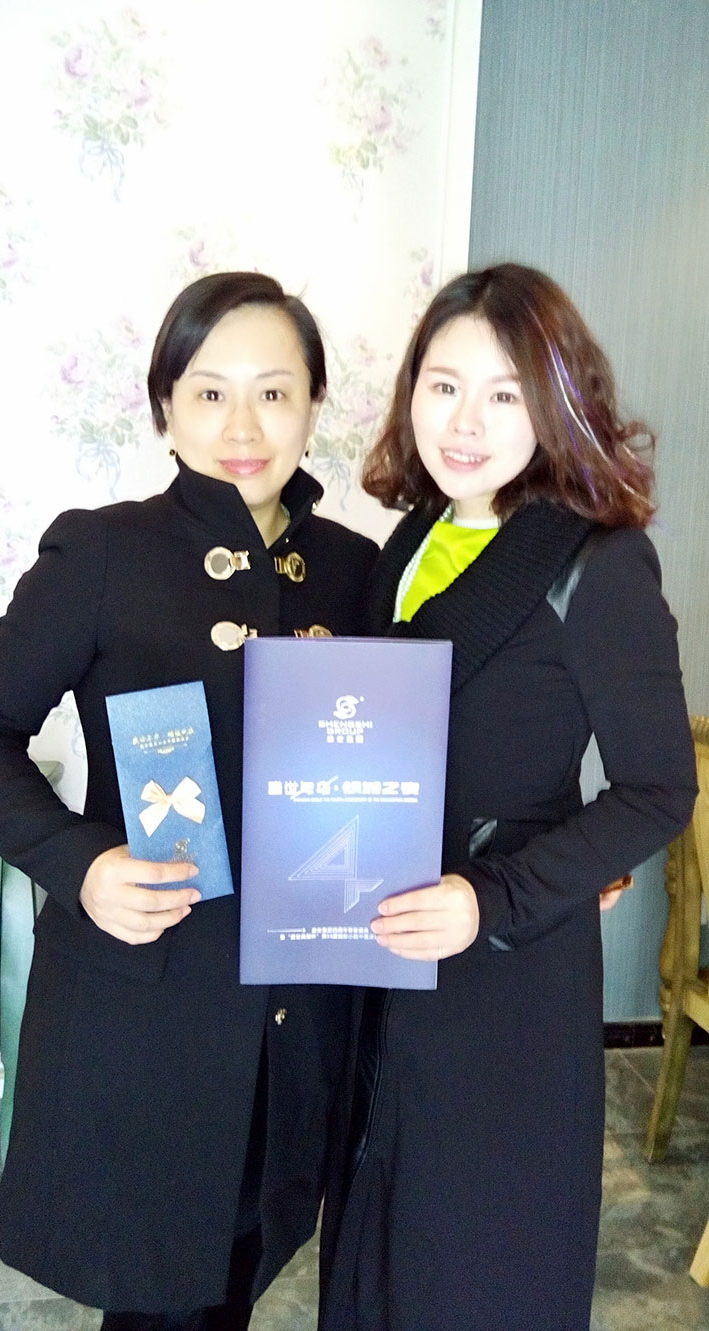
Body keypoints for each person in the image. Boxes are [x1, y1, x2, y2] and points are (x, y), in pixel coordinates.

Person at [0, 272, 377, 1330]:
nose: (243, 426)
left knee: (239, 1274)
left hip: (298, 1011)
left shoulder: (356, 571)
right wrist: (81, 863)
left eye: (274, 392)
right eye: (209, 392)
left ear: (314, 405)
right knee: (153, 1294)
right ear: (164, 408)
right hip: (147, 1008)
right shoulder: (100, 552)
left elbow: (409, 757)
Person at [318, 262, 697, 1331]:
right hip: (383, 944)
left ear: (558, 402)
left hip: (504, 970)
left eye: (504, 393)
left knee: (479, 1255)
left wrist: (494, 896)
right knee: (379, 1229)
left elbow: (657, 786)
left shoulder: (598, 560)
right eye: (443, 386)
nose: (466, 422)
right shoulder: (410, 541)